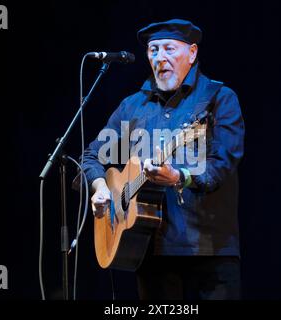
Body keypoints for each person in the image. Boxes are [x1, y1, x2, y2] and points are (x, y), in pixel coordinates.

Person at [79, 18, 245, 300]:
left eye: (169, 48)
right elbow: (91, 155)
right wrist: (100, 187)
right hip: (149, 252)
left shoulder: (218, 99)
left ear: (192, 53)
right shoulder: (133, 106)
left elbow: (223, 165)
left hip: (207, 250)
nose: (160, 58)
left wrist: (180, 177)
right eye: (153, 50)